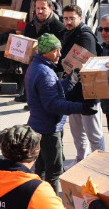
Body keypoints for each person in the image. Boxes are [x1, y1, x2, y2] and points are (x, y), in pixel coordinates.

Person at [25, 33, 92, 192]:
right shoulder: (45, 73)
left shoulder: (37, 67)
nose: (60, 54)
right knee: (54, 172)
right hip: (48, 130)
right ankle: (50, 206)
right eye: (56, 50)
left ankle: (37, 200)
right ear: (45, 52)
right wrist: (81, 107)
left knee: (40, 170)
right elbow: (52, 105)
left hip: (38, 126)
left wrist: (71, 81)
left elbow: (51, 92)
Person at [59, 4, 104, 160]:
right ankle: (80, 162)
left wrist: (69, 71)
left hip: (88, 93)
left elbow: (84, 62)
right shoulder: (68, 33)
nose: (68, 21)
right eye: (66, 18)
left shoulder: (85, 36)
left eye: (72, 18)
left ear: (80, 18)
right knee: (77, 134)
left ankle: (99, 163)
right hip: (74, 93)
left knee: (94, 135)